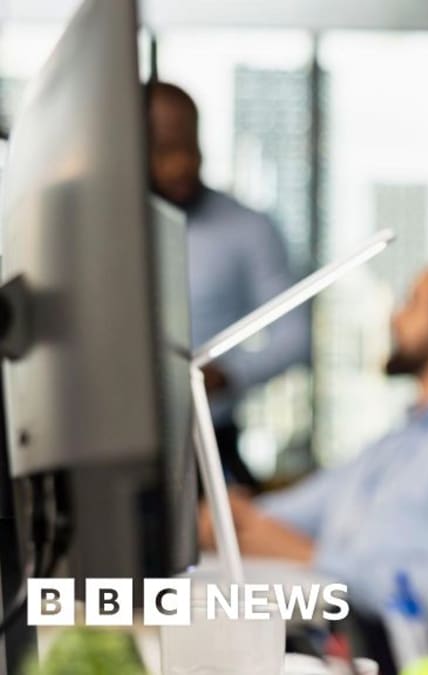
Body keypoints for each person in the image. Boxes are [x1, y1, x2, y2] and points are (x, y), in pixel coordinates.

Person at [199, 262, 428, 651]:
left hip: (392, 649)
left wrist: (313, 557)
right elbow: (295, 510)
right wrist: (232, 517)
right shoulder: (402, 436)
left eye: (412, 303)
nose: (395, 317)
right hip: (336, 626)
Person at [147, 80, 311, 490]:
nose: (182, 164)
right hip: (105, 444)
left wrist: (229, 374)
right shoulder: (92, 228)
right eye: (164, 149)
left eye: (190, 147)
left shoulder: (248, 228)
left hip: (208, 448)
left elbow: (296, 337)